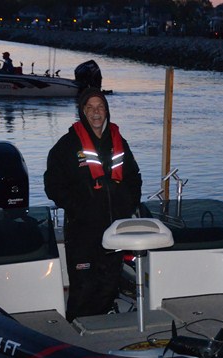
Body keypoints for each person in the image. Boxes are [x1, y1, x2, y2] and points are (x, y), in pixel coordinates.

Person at [44, 88, 142, 321]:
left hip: (114, 227)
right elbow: (53, 185)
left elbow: (134, 177)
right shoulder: (67, 145)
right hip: (82, 230)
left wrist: (127, 205)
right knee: (84, 287)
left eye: (100, 107)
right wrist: (79, 207)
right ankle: (76, 329)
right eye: (90, 108)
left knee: (109, 283)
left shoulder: (119, 142)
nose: (96, 112)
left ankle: (102, 328)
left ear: (106, 111)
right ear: (82, 112)